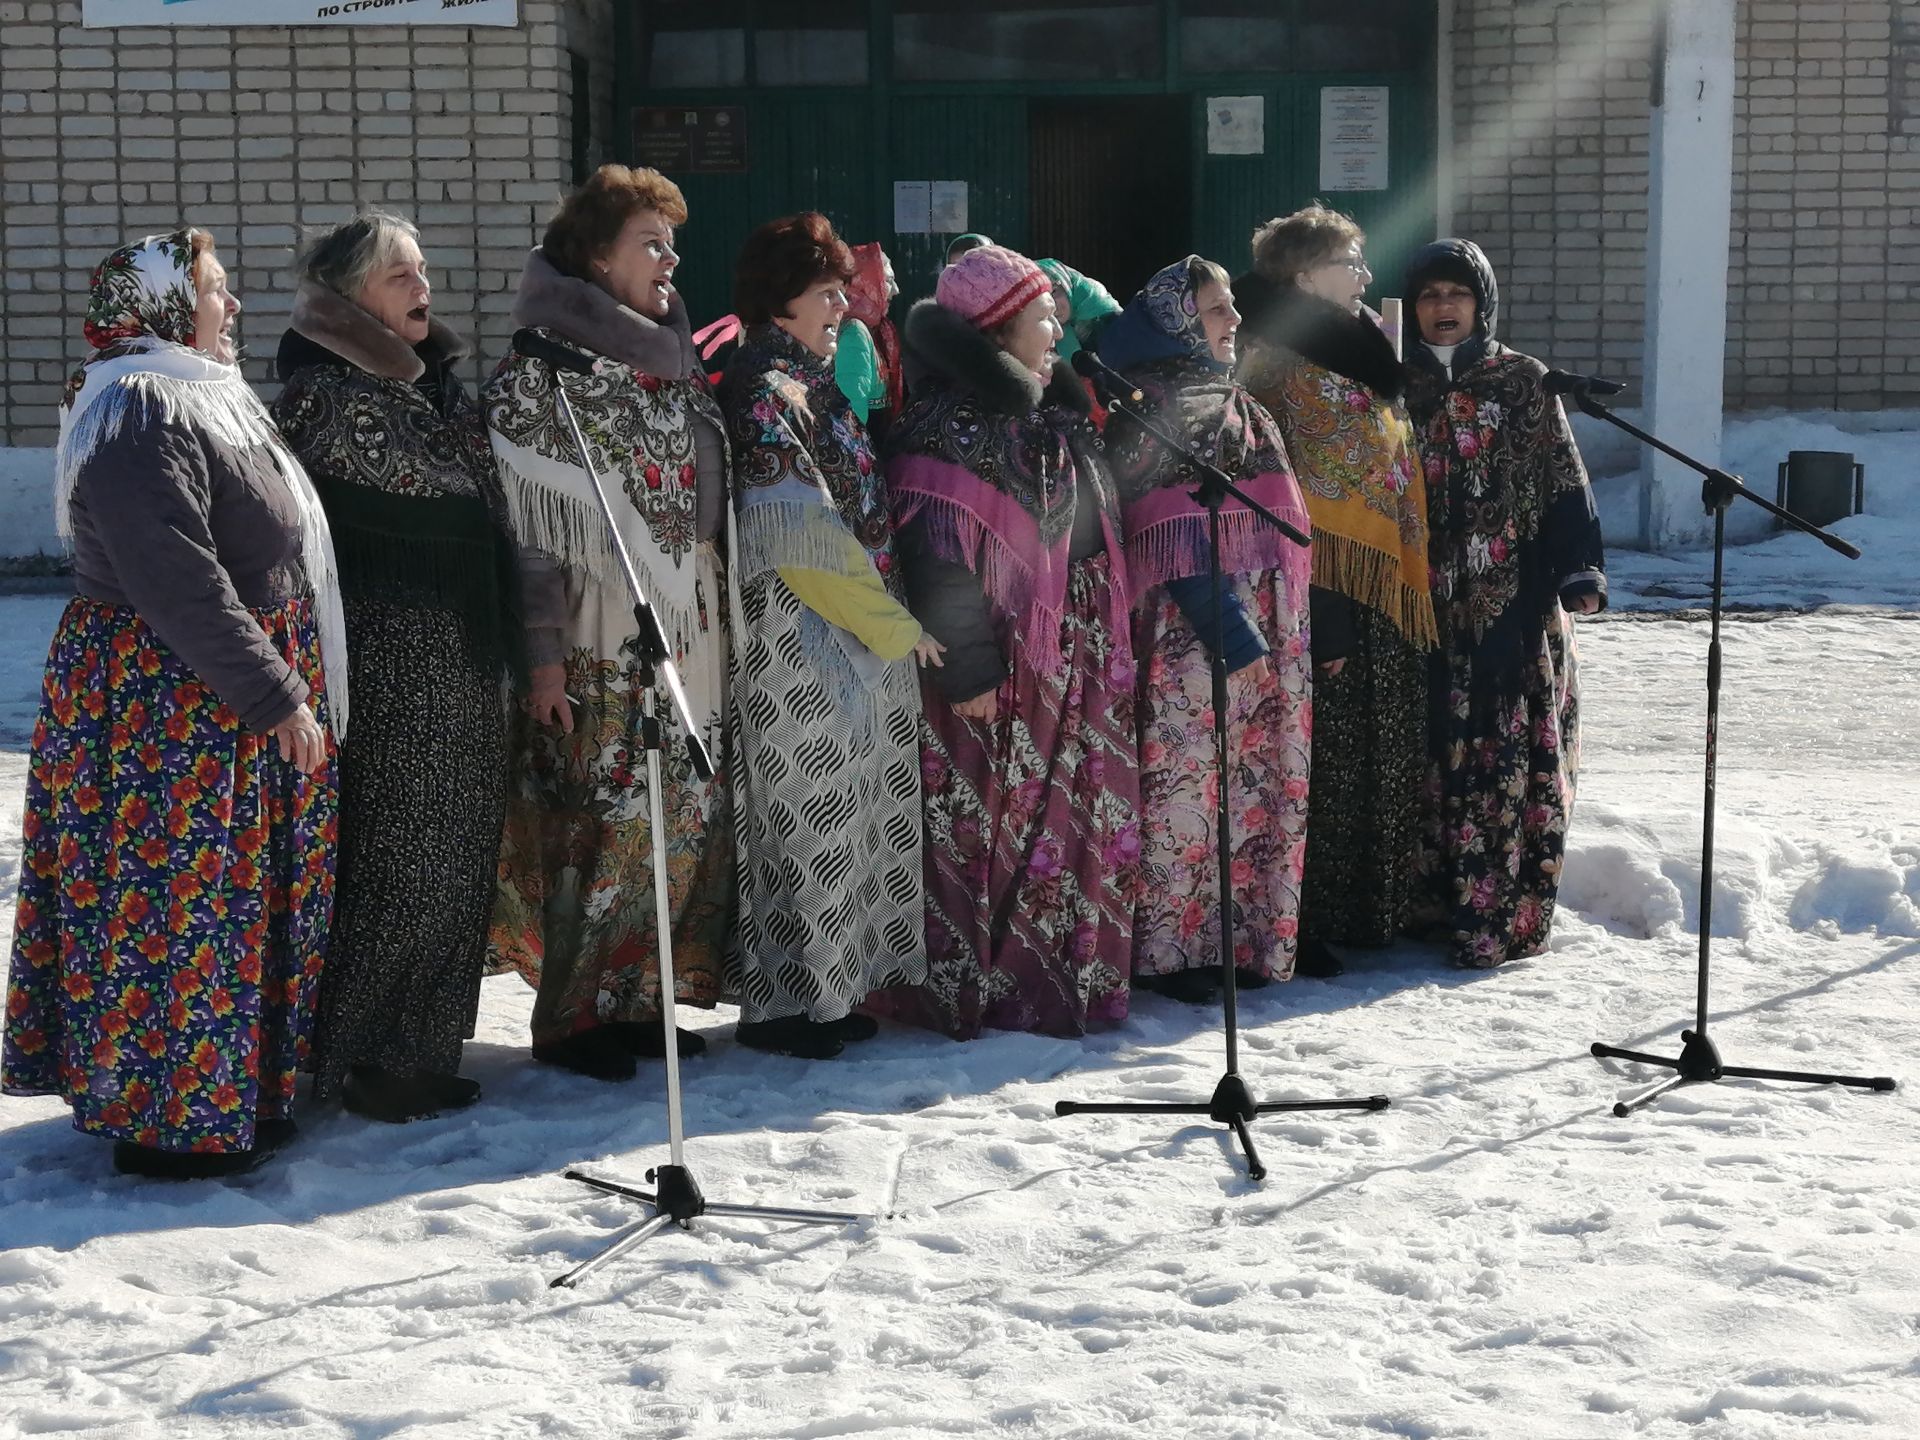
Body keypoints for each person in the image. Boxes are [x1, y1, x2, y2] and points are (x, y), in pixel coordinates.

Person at [1, 231, 344, 1177]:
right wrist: (277, 695)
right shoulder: (140, 410)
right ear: (159, 309)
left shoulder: (195, 395)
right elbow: (177, 580)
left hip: (212, 701)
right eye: (216, 291)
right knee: (172, 908)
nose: (232, 307)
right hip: (168, 709)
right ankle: (168, 1126)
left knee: (231, 906)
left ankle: (231, 1096)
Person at [483, 165, 734, 1080]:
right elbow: (528, 541)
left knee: (677, 816)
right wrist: (543, 661)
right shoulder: (539, 376)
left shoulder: (675, 366)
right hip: (596, 631)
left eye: (673, 243)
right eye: (649, 243)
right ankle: (575, 1016)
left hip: (685, 631)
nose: (671, 260)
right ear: (594, 257)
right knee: (605, 815)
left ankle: (640, 1003)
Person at [273, 211, 516, 1122]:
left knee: (455, 855)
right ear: (352, 297)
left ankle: (424, 1046)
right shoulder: (322, 395)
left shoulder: (436, 387)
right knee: (398, 861)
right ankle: (370, 1057)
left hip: (460, 652)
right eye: (399, 277)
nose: (422, 289)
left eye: (420, 272)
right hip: (385, 661)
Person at [869, 244, 1140, 1039]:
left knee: (1065, 824)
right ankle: (983, 986)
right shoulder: (943, 428)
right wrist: (970, 671)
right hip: (999, 671)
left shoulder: (1045, 412)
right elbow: (937, 562)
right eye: (1041, 315)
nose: (1057, 327)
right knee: (991, 828)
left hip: (1070, 661)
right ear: (995, 327)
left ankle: (1058, 977)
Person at [717, 214, 940, 1058]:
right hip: (802, 631)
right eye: (825, 291)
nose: (842, 305)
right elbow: (796, 530)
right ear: (779, 301)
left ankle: (833, 991)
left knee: (845, 812)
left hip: (848, 628)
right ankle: (787, 1006)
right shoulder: (763, 388)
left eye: (843, 289)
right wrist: (892, 626)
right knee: (805, 813)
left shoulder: (814, 380)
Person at [1097, 257, 1315, 1000]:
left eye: (1229, 307)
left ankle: (1240, 937)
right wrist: (1235, 634)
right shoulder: (1157, 402)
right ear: (1179, 321)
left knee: (1251, 790)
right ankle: (1174, 949)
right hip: (1202, 637)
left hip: (1260, 626)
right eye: (1217, 309)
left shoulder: (1227, 396)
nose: (1233, 322)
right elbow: (1172, 532)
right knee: (1191, 790)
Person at [1235, 204, 1436, 977]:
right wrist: (1326, 607)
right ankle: (1302, 916)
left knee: (1372, 755)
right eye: (1349, 262)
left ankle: (1367, 910)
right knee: (1318, 762)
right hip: (1315, 591)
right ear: (1301, 273)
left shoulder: (1361, 351)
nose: (1364, 276)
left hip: (1377, 587)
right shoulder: (1271, 356)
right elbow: (1281, 481)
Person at [1402, 238, 1606, 968]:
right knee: (1430, 748)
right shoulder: (1396, 385)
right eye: (1429, 295)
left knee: (1506, 749)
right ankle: (1428, 904)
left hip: (1508, 602)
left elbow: (1561, 476)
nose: (1444, 306)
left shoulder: (1522, 380)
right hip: (1422, 604)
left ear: (1481, 303)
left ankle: (1500, 910)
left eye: (1458, 293)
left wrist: (1579, 571)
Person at [834, 242, 903, 441]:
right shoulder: (855, 332)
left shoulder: (877, 330)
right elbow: (852, 416)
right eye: (888, 280)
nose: (896, 290)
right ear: (866, 282)